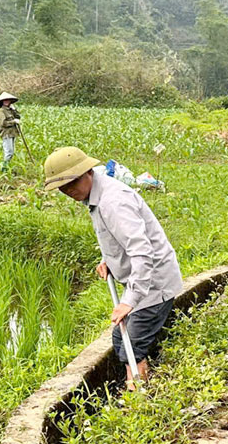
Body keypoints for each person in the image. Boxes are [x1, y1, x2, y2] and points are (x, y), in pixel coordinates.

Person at [43, 147, 183, 387]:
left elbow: (141, 250)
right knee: (120, 339)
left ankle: (138, 400)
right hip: (143, 282)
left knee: (133, 345)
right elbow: (119, 237)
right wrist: (109, 258)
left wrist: (129, 301)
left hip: (153, 284)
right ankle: (144, 383)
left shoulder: (113, 201)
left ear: (87, 172)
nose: (69, 192)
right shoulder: (96, 194)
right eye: (63, 188)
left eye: (72, 183)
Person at [0, 92, 21, 172]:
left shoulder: (10, 110)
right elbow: (3, 123)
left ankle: (7, 168)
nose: (6, 101)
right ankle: (4, 169)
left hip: (12, 133)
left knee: (11, 152)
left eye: (8, 100)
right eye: (5, 100)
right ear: (2, 101)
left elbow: (18, 117)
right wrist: (14, 122)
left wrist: (14, 110)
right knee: (9, 152)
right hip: (6, 134)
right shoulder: (2, 111)